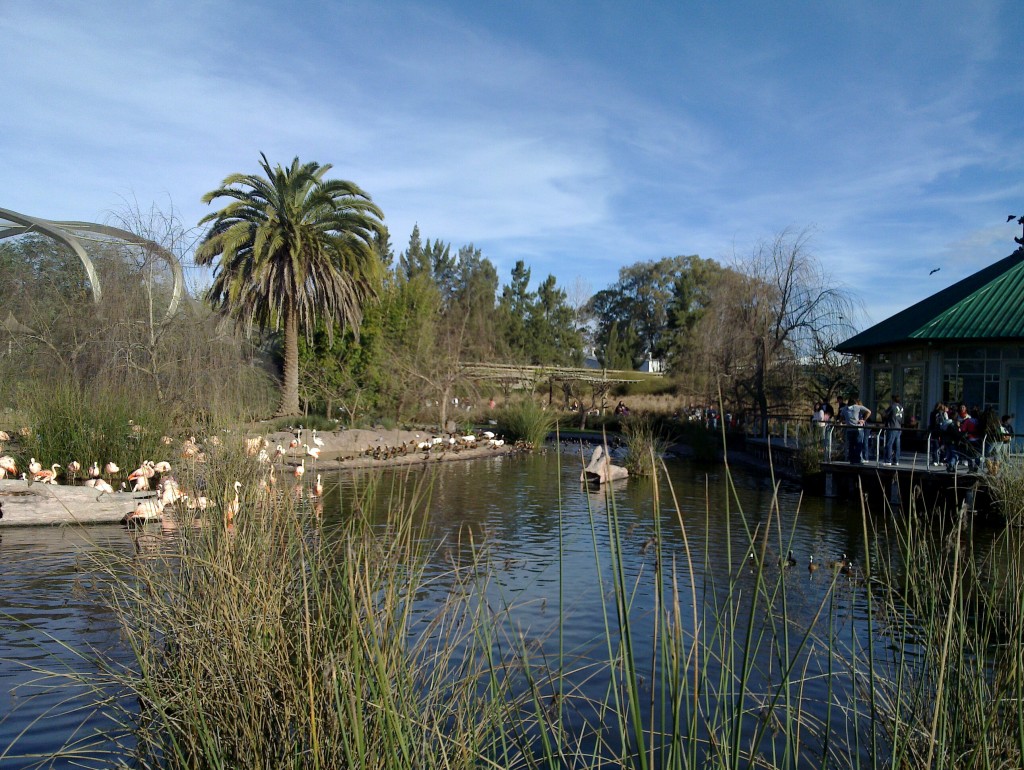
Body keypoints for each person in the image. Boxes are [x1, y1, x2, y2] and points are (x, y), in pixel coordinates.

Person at [844, 397, 871, 464]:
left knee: (851, 445)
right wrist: (864, 420)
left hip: (849, 429)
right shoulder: (857, 407)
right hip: (858, 428)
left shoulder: (844, 409)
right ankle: (857, 459)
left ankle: (852, 459)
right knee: (859, 444)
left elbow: (841, 417)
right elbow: (869, 411)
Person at [882, 394, 904, 465]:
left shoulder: (892, 406)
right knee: (897, 444)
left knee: (889, 444)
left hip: (892, 426)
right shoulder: (901, 407)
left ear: (893, 399)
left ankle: (888, 460)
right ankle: (896, 460)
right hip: (899, 427)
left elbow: (885, 414)